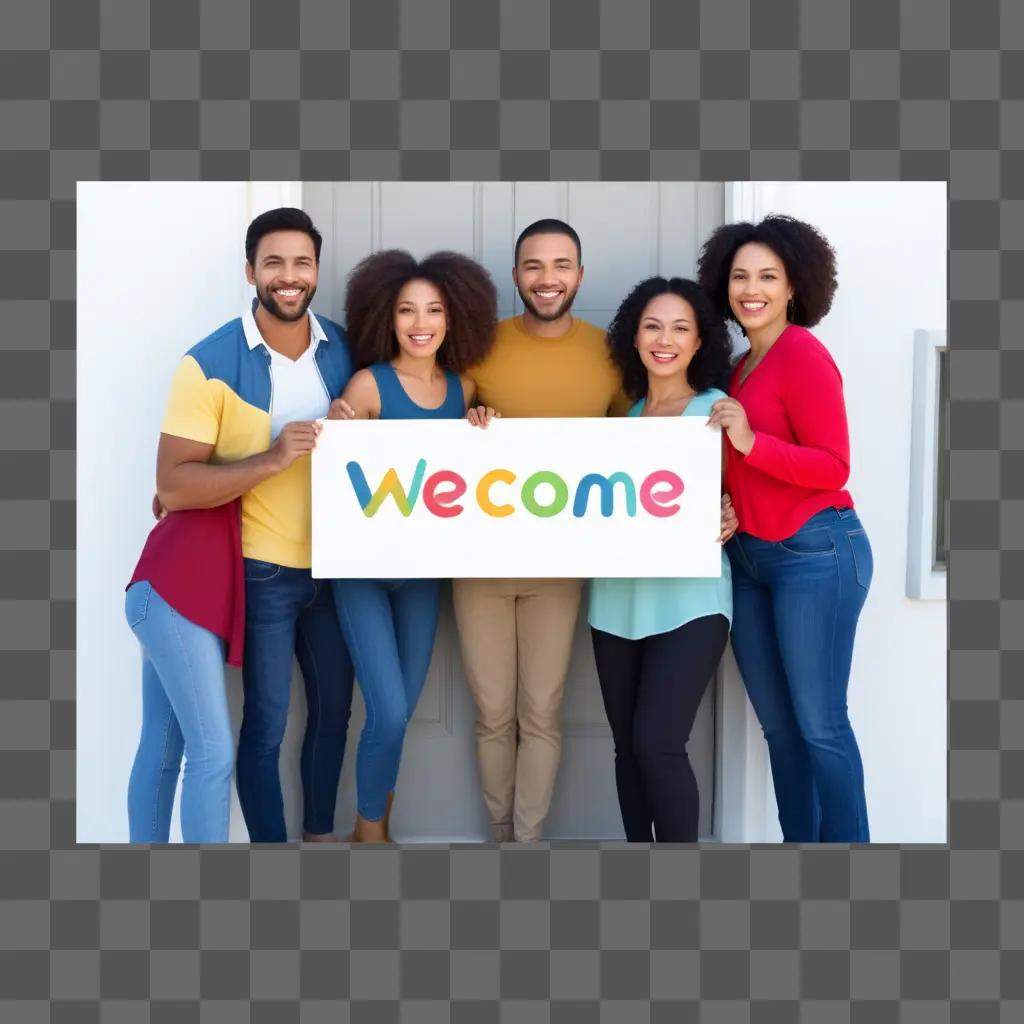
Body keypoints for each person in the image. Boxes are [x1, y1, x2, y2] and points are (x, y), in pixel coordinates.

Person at [155, 207, 355, 843]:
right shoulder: (206, 363)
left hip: (338, 567)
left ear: (317, 271)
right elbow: (173, 485)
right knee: (266, 720)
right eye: (274, 263)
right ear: (251, 271)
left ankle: (319, 837)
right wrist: (271, 458)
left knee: (333, 714)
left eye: (302, 263)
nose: (289, 276)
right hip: (263, 572)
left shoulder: (346, 349)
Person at [452, 218, 635, 843]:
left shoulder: (610, 353)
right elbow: (434, 436)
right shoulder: (481, 347)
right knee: (493, 714)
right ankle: (501, 832)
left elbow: (636, 455)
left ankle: (528, 841)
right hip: (478, 564)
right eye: (534, 265)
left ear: (580, 275)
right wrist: (469, 418)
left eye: (561, 266)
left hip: (560, 569)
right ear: (515, 276)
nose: (547, 278)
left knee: (542, 711)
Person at [697, 214, 874, 843]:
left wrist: (750, 439)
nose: (753, 288)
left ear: (794, 286)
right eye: (741, 275)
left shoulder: (802, 354)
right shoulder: (742, 366)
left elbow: (833, 465)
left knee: (821, 725)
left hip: (816, 553)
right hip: (750, 563)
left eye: (768, 276)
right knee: (779, 728)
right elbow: (741, 474)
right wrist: (725, 503)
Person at [326, 250, 498, 843]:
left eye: (434, 310)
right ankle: (369, 832)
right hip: (363, 575)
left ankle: (377, 825)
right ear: (387, 317)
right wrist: (340, 427)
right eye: (406, 311)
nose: (420, 323)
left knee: (397, 715)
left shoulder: (463, 388)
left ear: (454, 318)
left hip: (425, 576)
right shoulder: (369, 385)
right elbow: (342, 465)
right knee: (390, 711)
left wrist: (483, 421)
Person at [588, 277, 736, 843]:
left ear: (700, 342)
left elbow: (746, 493)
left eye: (680, 328)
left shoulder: (716, 412)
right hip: (615, 602)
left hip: (690, 602)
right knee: (628, 749)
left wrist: (734, 513)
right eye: (653, 326)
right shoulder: (620, 421)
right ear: (634, 337)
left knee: (658, 743)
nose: (665, 339)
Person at [125, 498, 243, 843]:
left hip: (163, 592)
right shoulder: (243, 457)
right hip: (175, 595)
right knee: (212, 753)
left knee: (161, 750)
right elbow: (173, 481)